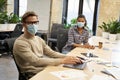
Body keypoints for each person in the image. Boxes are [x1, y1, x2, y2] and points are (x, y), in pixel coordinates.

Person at [13, 11, 82, 79]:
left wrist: (68, 57)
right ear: (24, 24)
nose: (34, 25)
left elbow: (51, 53)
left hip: (43, 68)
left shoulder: (38, 39)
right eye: (30, 23)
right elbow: (35, 61)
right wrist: (62, 60)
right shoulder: (20, 43)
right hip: (32, 73)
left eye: (35, 22)